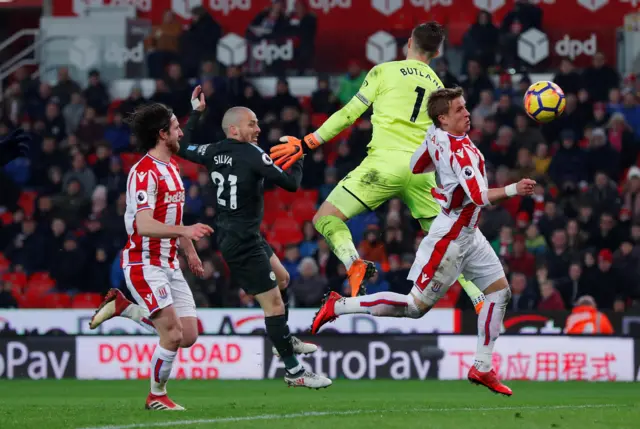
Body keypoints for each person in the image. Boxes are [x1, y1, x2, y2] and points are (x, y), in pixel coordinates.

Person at [312, 87, 537, 396]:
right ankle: (340, 306)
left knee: (500, 293)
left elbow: (417, 165)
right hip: (451, 239)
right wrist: (515, 189)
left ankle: (482, 367)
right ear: (443, 118)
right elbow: (480, 196)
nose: (467, 113)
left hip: (469, 234)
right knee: (414, 307)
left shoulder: (434, 134)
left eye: (465, 106)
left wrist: (444, 181)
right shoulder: (462, 152)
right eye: (458, 110)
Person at [269, 22, 485, 313]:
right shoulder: (440, 89)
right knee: (449, 241)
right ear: (436, 52)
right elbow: (451, 139)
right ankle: (479, 297)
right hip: (422, 173)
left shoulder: (384, 71)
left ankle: (353, 263)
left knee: (324, 218)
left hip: (382, 165)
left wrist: (306, 143)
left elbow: (349, 114)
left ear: (409, 42)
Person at [174, 86, 330, 389]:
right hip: (242, 242)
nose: (258, 129)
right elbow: (290, 185)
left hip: (243, 236)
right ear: (235, 129)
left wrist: (195, 113)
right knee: (273, 306)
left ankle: (283, 340)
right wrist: (297, 156)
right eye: (252, 124)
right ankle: (294, 371)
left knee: (283, 280)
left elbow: (182, 146)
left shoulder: (213, 150)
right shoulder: (252, 154)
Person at [89, 102, 214, 410]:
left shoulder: (172, 168)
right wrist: (185, 233)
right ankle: (156, 395)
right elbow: (143, 225)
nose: (181, 131)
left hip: (170, 262)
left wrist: (189, 250)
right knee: (171, 335)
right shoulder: (144, 173)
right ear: (162, 134)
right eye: (175, 127)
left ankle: (124, 308)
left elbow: (175, 217)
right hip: (143, 263)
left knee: (188, 335)